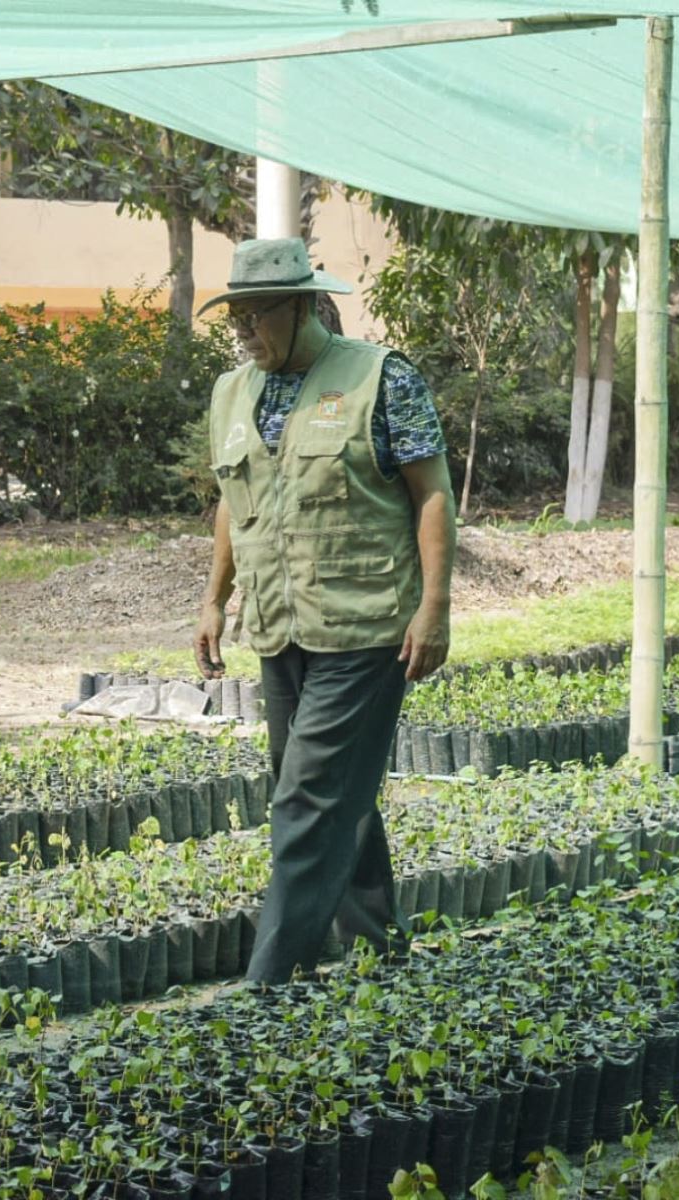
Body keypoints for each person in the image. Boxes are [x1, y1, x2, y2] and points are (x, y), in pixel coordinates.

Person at [193, 237, 456, 985]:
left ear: (305, 305)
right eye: (235, 317)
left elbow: (431, 493)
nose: (244, 330)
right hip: (280, 627)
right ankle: (379, 955)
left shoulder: (381, 378)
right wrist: (214, 598)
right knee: (337, 796)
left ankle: (270, 982)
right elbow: (232, 504)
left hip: (367, 625)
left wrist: (434, 606)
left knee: (307, 798)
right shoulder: (231, 393)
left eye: (257, 315)